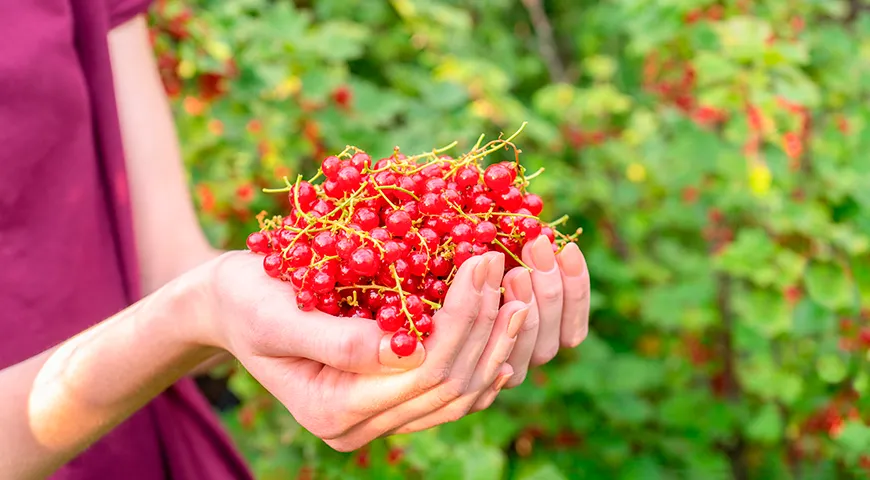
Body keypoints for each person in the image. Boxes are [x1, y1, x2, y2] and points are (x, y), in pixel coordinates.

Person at [0, 1, 591, 479]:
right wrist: (196, 309)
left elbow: (169, 269)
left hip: (138, 445)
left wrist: (310, 315)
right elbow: (185, 302)